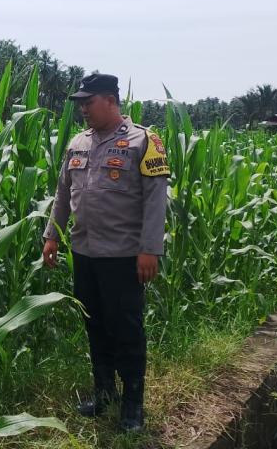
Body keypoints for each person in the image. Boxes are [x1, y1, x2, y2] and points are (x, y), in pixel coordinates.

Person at [42, 73, 169, 432]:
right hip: (85, 253)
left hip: (124, 256)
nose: (83, 108)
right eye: (80, 102)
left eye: (89, 101)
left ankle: (133, 406)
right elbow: (62, 193)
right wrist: (52, 235)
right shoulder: (78, 142)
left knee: (126, 329)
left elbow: (155, 200)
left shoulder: (143, 141)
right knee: (94, 324)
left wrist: (149, 250)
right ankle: (104, 394)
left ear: (111, 100)